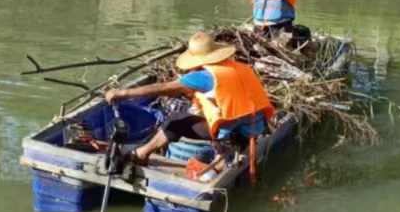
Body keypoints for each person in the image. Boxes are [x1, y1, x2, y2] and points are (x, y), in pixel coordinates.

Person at [104, 31, 275, 166]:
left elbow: (162, 88)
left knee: (175, 121)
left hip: (231, 134)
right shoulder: (241, 67)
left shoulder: (205, 76)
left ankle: (142, 154)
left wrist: (122, 93)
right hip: (256, 128)